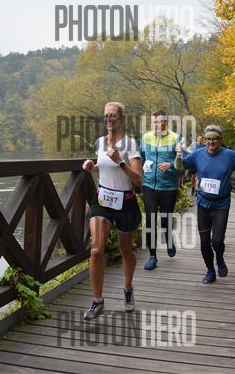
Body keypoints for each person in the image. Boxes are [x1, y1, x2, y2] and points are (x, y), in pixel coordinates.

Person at [82, 102, 143, 320]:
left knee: (126, 250)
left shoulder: (130, 144)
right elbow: (103, 166)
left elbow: (138, 179)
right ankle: (97, 301)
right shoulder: (100, 142)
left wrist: (120, 161)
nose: (109, 119)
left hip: (125, 202)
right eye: (106, 116)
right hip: (102, 200)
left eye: (113, 116)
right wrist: (93, 167)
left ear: (122, 119)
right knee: (96, 250)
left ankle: (128, 289)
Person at [175, 125, 235, 284]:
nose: (211, 142)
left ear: (220, 140)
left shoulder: (229, 155)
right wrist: (178, 154)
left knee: (217, 241)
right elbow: (179, 166)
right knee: (204, 242)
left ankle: (219, 257)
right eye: (208, 139)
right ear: (205, 139)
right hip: (203, 203)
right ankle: (210, 270)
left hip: (221, 204)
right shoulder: (198, 154)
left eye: (214, 139)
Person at [140, 109, 182, 270]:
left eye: (159, 122)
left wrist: (171, 164)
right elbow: (141, 158)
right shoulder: (146, 138)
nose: (156, 125)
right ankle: (152, 256)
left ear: (166, 122)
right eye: (153, 122)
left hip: (168, 187)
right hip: (149, 185)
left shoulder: (176, 138)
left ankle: (169, 238)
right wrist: (142, 174)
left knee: (165, 220)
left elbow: (183, 163)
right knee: (150, 220)